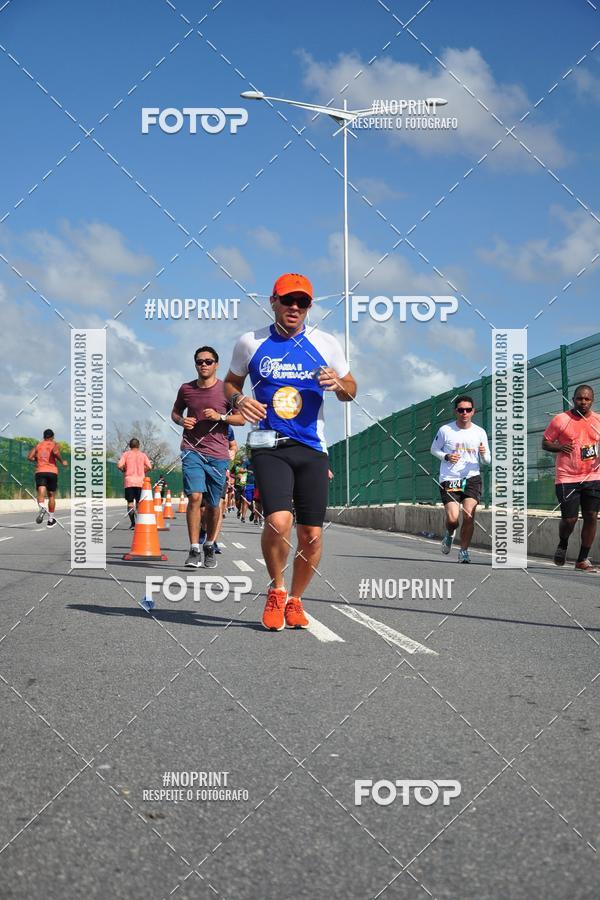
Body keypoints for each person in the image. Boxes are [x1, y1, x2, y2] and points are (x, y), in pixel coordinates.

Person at [225, 272, 357, 631]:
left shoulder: (326, 343)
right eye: (288, 300)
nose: (295, 307)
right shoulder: (250, 343)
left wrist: (338, 384)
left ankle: (296, 600)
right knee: (279, 521)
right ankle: (276, 589)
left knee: (311, 534)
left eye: (303, 302)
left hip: (312, 447)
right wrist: (239, 399)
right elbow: (230, 383)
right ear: (273, 302)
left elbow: (351, 390)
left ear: (309, 307)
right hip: (269, 445)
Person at [171, 346, 244, 568]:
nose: (204, 364)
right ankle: (194, 548)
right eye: (200, 361)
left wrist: (221, 417)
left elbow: (241, 419)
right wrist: (182, 421)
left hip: (218, 455)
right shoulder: (186, 389)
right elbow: (174, 413)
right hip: (192, 450)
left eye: (209, 361)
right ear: (195, 364)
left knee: (214, 505)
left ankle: (209, 544)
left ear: (216, 364)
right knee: (194, 497)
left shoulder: (227, 390)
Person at [542, 384, 600, 572]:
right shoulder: (561, 420)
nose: (583, 402)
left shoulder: (598, 420)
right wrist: (559, 447)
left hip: (593, 475)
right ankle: (563, 543)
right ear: (573, 399)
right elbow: (545, 442)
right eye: (579, 398)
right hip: (567, 477)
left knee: (591, 516)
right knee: (570, 520)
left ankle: (582, 559)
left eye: (587, 399)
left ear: (592, 400)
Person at [430, 395, 491, 563]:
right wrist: (447, 457)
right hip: (449, 478)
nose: (464, 413)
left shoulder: (480, 432)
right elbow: (434, 449)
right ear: (455, 412)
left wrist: (483, 453)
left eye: (468, 410)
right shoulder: (445, 430)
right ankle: (449, 534)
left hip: (472, 478)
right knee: (452, 519)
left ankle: (464, 551)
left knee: (469, 515)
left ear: (473, 412)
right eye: (461, 410)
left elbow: (487, 461)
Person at [27, 429, 68, 527]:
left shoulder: (38, 445)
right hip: (52, 472)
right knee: (51, 495)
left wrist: (38, 459)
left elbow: (29, 457)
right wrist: (62, 461)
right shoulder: (55, 444)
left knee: (41, 491)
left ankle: (42, 506)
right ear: (52, 437)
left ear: (44, 437)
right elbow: (56, 452)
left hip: (40, 471)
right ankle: (50, 520)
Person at [117, 438, 152, 528]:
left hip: (129, 481)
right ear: (139, 445)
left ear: (130, 445)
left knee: (130, 503)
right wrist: (143, 471)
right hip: (140, 482)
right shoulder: (143, 455)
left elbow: (119, 465)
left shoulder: (126, 454)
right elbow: (149, 466)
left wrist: (124, 470)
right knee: (139, 503)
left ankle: (133, 523)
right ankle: (140, 522)